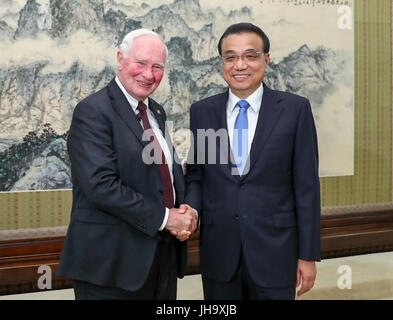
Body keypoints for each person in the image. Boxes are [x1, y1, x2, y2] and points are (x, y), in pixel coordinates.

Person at [57, 29, 197, 300]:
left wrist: (186, 209)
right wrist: (167, 218)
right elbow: (100, 186)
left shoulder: (155, 110)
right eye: (141, 63)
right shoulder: (93, 111)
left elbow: (164, 173)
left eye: (157, 67)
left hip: (161, 258)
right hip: (111, 266)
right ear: (120, 60)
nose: (149, 74)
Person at [185, 23, 321, 300]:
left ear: (266, 59)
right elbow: (197, 176)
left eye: (250, 55)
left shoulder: (295, 110)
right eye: (231, 57)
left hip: (276, 255)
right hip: (219, 256)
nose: (240, 65)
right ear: (222, 62)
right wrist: (192, 212)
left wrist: (307, 256)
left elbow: (306, 187)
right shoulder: (202, 112)